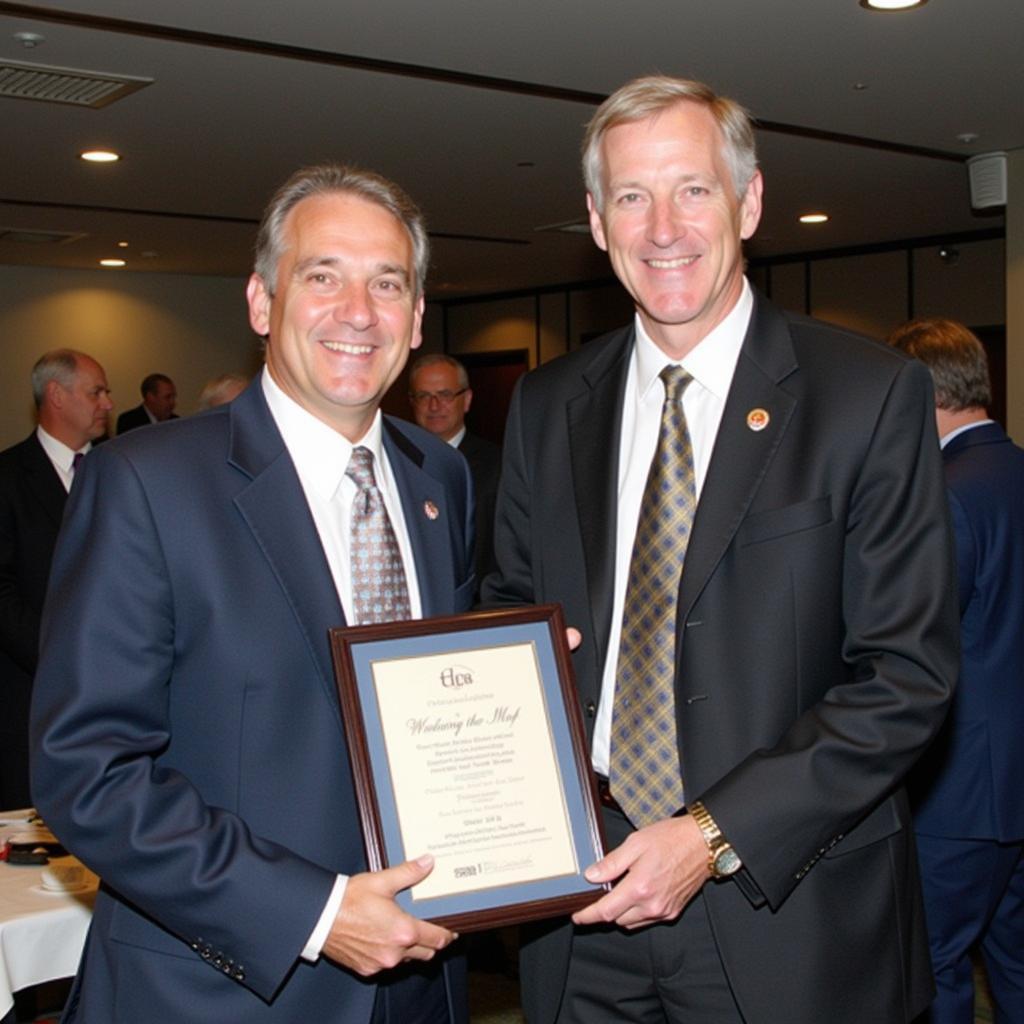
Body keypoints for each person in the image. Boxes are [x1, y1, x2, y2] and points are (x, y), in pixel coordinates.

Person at [482, 75, 958, 1024]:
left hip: (789, 906)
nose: (664, 227)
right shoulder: (547, 405)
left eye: (693, 189)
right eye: (631, 196)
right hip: (583, 899)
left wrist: (709, 834)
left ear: (748, 201)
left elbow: (908, 678)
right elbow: (510, 605)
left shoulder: (866, 395)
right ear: (595, 218)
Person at [31, 165, 474, 1023]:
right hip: (221, 988)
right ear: (262, 302)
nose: (358, 311)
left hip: (423, 980)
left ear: (416, 317)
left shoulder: (440, 479)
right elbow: (87, 771)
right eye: (322, 277)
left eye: (387, 283)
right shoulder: (146, 482)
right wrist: (313, 913)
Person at [888, 317, 1024, 1024]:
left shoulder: (944, 494)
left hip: (960, 791)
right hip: (1014, 787)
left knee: (930, 965)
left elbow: (918, 644)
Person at [0, 348, 111, 809]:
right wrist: (60, 657)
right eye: (96, 392)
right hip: (29, 694)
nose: (107, 403)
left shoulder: (122, 472)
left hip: (115, 696)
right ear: (56, 396)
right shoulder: (6, 478)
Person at [409, 353, 499, 589]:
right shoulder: (396, 464)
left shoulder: (499, 466)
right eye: (423, 396)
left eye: (445, 395)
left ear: (467, 400)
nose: (434, 406)